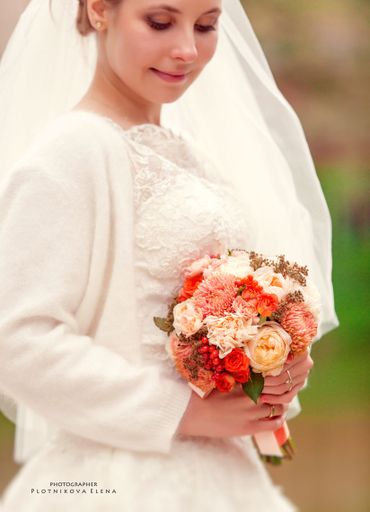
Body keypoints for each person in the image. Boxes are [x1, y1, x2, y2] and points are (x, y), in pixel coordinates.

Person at [0, 0, 338, 510]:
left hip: (225, 476)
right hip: (119, 482)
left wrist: (275, 359)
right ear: (98, 11)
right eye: (160, 22)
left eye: (206, 26)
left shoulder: (189, 156)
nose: (186, 49)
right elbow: (16, 338)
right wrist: (180, 411)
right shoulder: (70, 153)